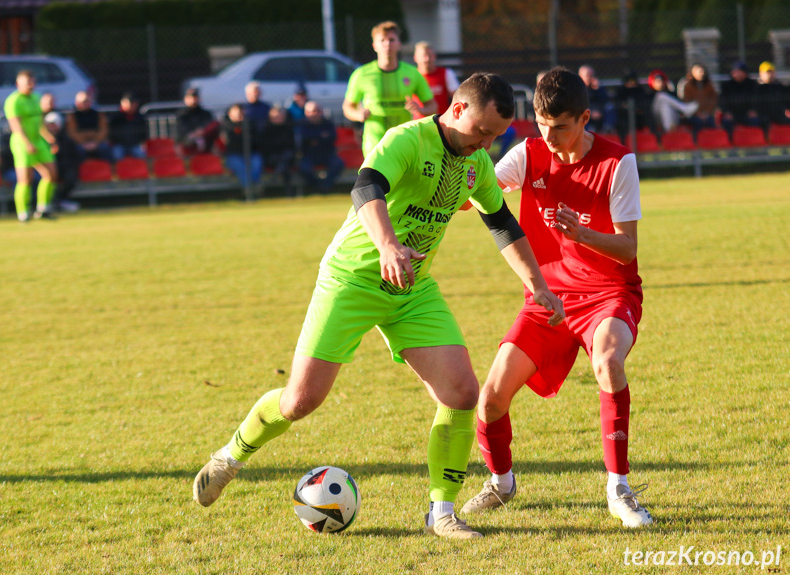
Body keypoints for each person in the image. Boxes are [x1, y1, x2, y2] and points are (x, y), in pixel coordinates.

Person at [192, 72, 565, 539]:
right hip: (351, 279)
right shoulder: (407, 139)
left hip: (412, 289)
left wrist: (539, 285)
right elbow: (366, 186)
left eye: (494, 137)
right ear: (457, 110)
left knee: (462, 392)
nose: (485, 145)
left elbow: (502, 223)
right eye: (481, 133)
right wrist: (388, 246)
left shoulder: (476, 166)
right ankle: (230, 456)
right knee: (300, 401)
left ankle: (441, 512)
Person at [459, 67, 652, 529]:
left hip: (608, 293)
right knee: (489, 400)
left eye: (559, 125)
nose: (547, 134)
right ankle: (501, 483)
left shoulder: (618, 162)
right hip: (548, 299)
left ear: (585, 118)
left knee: (608, 362)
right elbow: (472, 192)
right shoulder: (528, 152)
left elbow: (628, 248)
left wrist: (582, 233)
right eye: (541, 123)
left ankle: (619, 489)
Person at [343, 21, 436, 157]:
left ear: (399, 44)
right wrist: (359, 114)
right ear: (375, 46)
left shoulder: (412, 73)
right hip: (374, 145)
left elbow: (433, 106)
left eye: (392, 40)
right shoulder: (361, 74)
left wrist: (421, 110)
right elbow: (347, 107)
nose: (387, 44)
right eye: (382, 40)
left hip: (404, 142)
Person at [4, 69, 58, 221]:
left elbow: (40, 123)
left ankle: (43, 209)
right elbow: (16, 125)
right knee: (25, 179)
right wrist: (27, 143)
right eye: (27, 83)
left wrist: (49, 138)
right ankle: (23, 213)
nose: (31, 85)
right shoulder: (13, 101)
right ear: (18, 84)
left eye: (32, 82)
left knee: (51, 174)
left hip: (38, 141)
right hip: (22, 142)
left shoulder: (36, 97)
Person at [297, 100, 344, 194]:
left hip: (327, 154)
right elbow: (304, 139)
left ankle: (325, 186)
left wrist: (314, 139)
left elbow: (332, 138)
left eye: (316, 111)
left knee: (338, 164)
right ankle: (318, 186)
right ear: (306, 113)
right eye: (310, 112)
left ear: (320, 111)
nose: (313, 114)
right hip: (309, 155)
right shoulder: (302, 124)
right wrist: (321, 137)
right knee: (303, 168)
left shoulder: (327, 123)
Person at [44, 111, 81, 213]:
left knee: (71, 176)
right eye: (49, 125)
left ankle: (61, 201)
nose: (52, 128)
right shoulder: (42, 141)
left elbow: (72, 158)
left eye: (54, 125)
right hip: (46, 170)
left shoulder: (66, 140)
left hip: (63, 169)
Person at [221, 103, 262, 192]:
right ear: (230, 113)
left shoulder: (250, 125)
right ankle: (249, 189)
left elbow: (255, 140)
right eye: (236, 111)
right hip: (234, 155)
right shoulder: (226, 126)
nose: (239, 114)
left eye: (241, 111)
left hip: (251, 154)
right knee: (241, 167)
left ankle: (255, 185)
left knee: (256, 163)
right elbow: (229, 141)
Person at [413, 41, 460, 116]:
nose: (427, 59)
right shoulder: (411, 76)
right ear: (415, 58)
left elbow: (459, 98)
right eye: (423, 56)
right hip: (417, 124)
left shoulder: (446, 73)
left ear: (434, 57)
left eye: (430, 55)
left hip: (442, 123)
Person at [647, 69, 698, 134]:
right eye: (657, 82)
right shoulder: (650, 95)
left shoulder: (671, 94)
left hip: (673, 119)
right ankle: (685, 108)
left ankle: (669, 128)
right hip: (658, 120)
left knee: (666, 105)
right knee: (660, 96)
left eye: (662, 81)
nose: (660, 84)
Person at [260, 106, 296, 195]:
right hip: (271, 158)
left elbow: (291, 146)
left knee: (286, 159)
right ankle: (289, 191)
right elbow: (265, 147)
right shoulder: (266, 129)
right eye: (276, 117)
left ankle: (277, 176)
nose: (278, 119)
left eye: (280, 117)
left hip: (286, 157)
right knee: (284, 164)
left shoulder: (288, 128)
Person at [66, 90, 111, 161]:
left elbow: (104, 130)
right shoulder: (72, 116)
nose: (85, 103)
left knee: (105, 148)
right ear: (77, 103)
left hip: (97, 142)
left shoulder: (99, 114)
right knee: (76, 150)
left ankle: (107, 170)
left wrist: (96, 142)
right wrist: (84, 143)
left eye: (87, 101)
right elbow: (72, 133)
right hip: (81, 143)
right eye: (83, 101)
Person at [719, 61, 761, 135]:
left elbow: (756, 99)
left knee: (756, 120)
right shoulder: (726, 86)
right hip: (732, 114)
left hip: (747, 113)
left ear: (745, 73)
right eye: (735, 71)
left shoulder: (752, 84)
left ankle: (752, 139)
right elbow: (722, 101)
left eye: (739, 71)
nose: (737, 74)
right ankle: (730, 141)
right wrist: (727, 112)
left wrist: (753, 110)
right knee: (726, 122)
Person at [176, 87, 219, 156]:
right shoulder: (182, 114)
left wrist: (201, 131)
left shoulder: (205, 113)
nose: (193, 100)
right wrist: (195, 133)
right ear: (185, 99)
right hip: (189, 143)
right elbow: (183, 131)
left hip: (205, 141)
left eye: (195, 97)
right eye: (190, 98)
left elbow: (210, 125)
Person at [614, 69, 653, 143]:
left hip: (638, 117)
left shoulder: (640, 90)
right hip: (625, 117)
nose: (631, 83)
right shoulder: (621, 91)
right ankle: (623, 142)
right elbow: (619, 105)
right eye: (629, 81)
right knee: (621, 122)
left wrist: (636, 109)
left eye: (633, 81)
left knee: (648, 115)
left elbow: (644, 104)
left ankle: (655, 138)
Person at [109, 92, 148, 161]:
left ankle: (139, 171)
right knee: (116, 154)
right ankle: (117, 171)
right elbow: (111, 133)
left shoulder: (139, 117)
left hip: (135, 145)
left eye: (134, 103)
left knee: (141, 154)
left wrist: (142, 143)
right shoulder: (116, 117)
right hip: (120, 145)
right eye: (130, 103)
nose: (132, 105)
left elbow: (144, 133)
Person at [680, 63, 718, 134]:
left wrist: (707, 113)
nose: (701, 73)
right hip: (694, 114)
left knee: (711, 122)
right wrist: (698, 114)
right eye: (698, 71)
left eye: (702, 71)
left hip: (707, 113)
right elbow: (687, 102)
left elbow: (713, 99)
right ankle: (696, 141)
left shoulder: (709, 85)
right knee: (697, 122)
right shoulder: (688, 86)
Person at [756, 61, 790, 130]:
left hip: (779, 114)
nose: (770, 74)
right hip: (763, 114)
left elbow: (786, 100)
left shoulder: (780, 86)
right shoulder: (756, 88)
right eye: (767, 72)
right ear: (761, 74)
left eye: (771, 72)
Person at [578, 65, 609, 133]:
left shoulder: (598, 87)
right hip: (586, 112)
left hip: (599, 111)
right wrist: (591, 113)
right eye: (588, 75)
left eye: (591, 75)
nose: (590, 77)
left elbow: (605, 99)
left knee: (609, 108)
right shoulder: (577, 88)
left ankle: (608, 127)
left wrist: (598, 89)